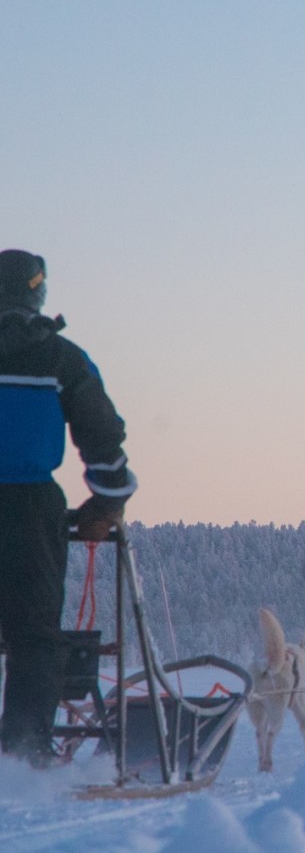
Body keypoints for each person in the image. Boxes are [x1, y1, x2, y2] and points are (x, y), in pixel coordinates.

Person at [0, 249, 137, 765]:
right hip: (31, 511)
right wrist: (107, 499)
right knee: (34, 637)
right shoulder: (62, 359)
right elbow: (103, 438)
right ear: (38, 291)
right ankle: (22, 761)